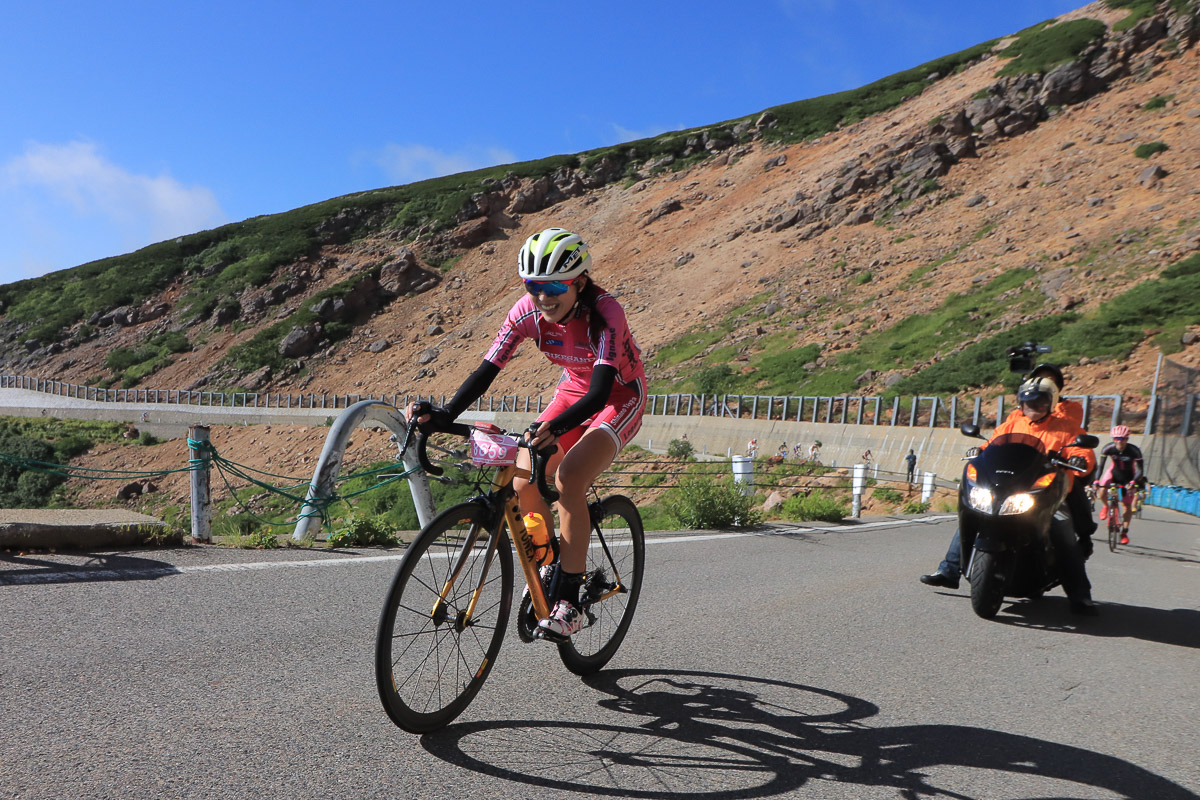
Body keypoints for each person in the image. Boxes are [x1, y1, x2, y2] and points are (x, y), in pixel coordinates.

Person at [409, 227, 646, 637]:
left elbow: (603, 390)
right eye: (533, 285)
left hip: (618, 397)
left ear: (581, 282)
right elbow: (487, 371)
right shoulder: (526, 312)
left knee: (569, 476)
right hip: (574, 390)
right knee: (523, 473)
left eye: (554, 285)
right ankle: (554, 556)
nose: (543, 296)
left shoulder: (606, 313)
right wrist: (446, 413)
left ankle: (569, 601)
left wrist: (556, 428)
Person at [922, 370, 1100, 615]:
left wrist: (1080, 461)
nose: (1033, 406)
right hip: (1008, 487)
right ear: (1021, 402)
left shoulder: (1066, 427)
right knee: (974, 513)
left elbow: (1083, 453)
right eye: (1028, 402)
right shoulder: (1012, 422)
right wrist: (980, 450)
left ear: (1051, 402)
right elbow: (993, 444)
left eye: (1040, 401)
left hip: (1047, 492)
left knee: (1063, 533)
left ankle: (1081, 596)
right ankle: (949, 570)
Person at [1095, 425, 1146, 544]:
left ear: (1127, 439)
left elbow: (1140, 470)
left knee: (1126, 506)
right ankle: (1106, 506)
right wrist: (1096, 480)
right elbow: (1101, 466)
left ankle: (1124, 531)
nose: (1119, 441)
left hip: (1129, 476)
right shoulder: (1108, 448)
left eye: (1122, 439)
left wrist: (1133, 482)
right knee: (1102, 489)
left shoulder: (1134, 450)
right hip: (1114, 473)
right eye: (1116, 438)